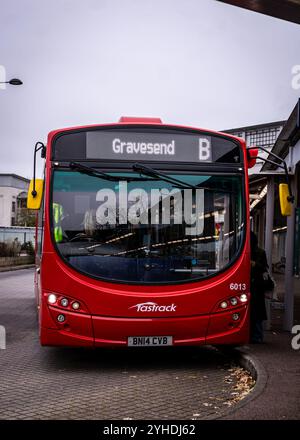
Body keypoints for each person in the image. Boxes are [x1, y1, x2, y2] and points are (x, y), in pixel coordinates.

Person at [250, 231, 268, 343]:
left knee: (256, 312)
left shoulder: (260, 252)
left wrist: (254, 264)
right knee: (256, 312)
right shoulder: (260, 251)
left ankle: (257, 336)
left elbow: (264, 268)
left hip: (256, 285)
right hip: (255, 286)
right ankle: (256, 335)